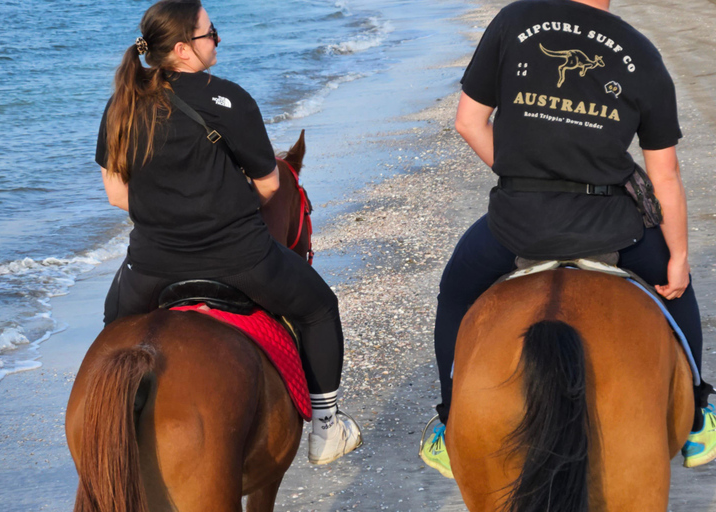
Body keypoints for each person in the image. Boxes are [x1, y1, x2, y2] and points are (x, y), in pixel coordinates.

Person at [420, 0, 715, 477]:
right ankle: (700, 415)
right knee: (677, 293)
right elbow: (666, 173)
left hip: (517, 223)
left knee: (454, 292)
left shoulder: (515, 20)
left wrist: (525, 176)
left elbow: (468, 123)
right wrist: (679, 257)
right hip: (611, 227)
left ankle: (447, 421)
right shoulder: (641, 53)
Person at [95, 0, 361, 465]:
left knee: (112, 335)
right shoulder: (229, 98)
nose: (218, 38)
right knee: (320, 308)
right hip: (241, 258)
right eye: (210, 31)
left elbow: (117, 194)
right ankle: (326, 428)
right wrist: (220, 210)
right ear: (183, 48)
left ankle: (107, 429)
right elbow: (270, 184)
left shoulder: (123, 103)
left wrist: (171, 212)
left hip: (151, 264)